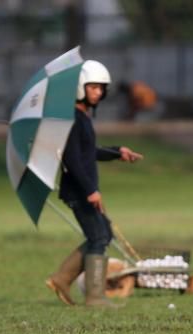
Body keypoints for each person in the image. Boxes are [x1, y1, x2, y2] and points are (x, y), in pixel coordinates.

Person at [45, 60, 143, 307]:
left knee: (102, 234)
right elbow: (72, 159)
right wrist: (90, 190)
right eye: (94, 88)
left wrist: (117, 152)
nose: (99, 92)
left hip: (84, 190)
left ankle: (61, 279)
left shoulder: (82, 117)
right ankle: (94, 296)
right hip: (79, 191)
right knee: (98, 237)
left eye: (101, 88)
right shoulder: (73, 119)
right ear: (80, 88)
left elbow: (89, 152)